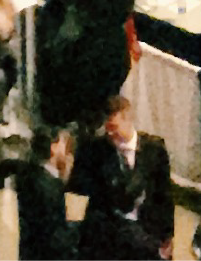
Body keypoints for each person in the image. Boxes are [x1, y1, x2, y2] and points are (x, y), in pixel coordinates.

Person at [73, 96, 174, 261]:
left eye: (114, 127)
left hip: (145, 232)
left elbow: (164, 195)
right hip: (109, 234)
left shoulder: (154, 150)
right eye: (107, 128)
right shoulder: (97, 150)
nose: (110, 133)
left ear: (128, 119)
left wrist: (168, 234)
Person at [6, 128, 75, 261]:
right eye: (64, 144)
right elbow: (54, 232)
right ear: (53, 147)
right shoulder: (47, 185)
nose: (67, 152)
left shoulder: (33, 177)